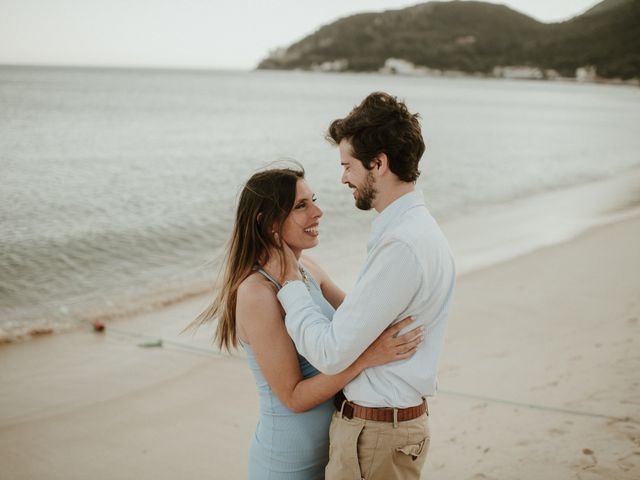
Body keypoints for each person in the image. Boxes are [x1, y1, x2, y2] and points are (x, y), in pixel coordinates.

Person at [189, 165, 424, 479]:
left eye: (313, 200)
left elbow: (362, 323)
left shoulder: (309, 268)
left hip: (337, 452)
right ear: (268, 221)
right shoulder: (256, 293)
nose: (318, 211)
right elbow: (294, 397)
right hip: (287, 464)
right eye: (301, 206)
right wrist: (366, 359)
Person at [275, 92, 456, 479]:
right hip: (388, 430)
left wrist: (291, 285)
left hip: (375, 436)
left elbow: (329, 352)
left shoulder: (401, 245)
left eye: (348, 166)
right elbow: (366, 319)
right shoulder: (418, 230)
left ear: (379, 163)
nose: (343, 178)